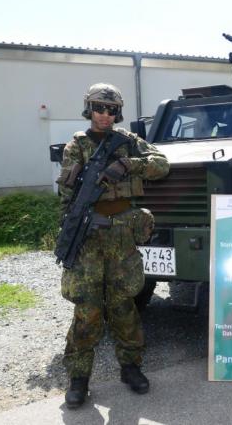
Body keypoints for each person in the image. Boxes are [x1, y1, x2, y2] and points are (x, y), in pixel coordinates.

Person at [56, 83, 169, 409]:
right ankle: (79, 379)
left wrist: (128, 165)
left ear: (117, 113)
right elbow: (67, 195)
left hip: (121, 235)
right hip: (88, 237)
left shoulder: (129, 142)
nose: (104, 115)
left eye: (110, 110)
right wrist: (69, 231)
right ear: (88, 109)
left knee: (123, 305)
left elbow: (161, 164)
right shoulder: (77, 146)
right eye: (98, 108)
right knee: (87, 309)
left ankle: (131, 368)